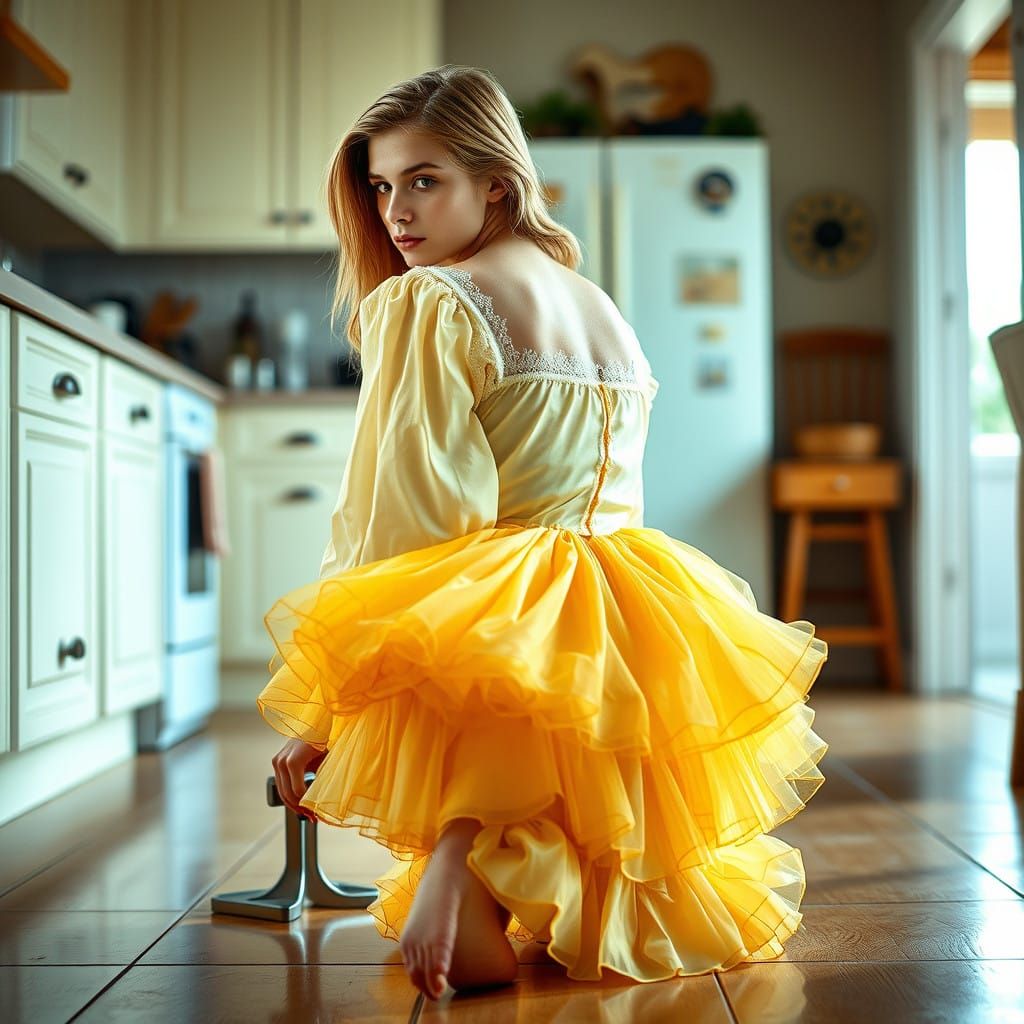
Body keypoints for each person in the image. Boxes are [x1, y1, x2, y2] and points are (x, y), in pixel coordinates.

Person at [257, 65, 829, 1004]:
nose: (395, 210)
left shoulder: (434, 299)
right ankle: (490, 859)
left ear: (497, 183)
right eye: (380, 184)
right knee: (610, 838)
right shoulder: (600, 306)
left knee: (489, 735)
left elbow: (406, 526)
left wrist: (330, 711)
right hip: (627, 605)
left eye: (423, 179)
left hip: (505, 598)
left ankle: (464, 850)